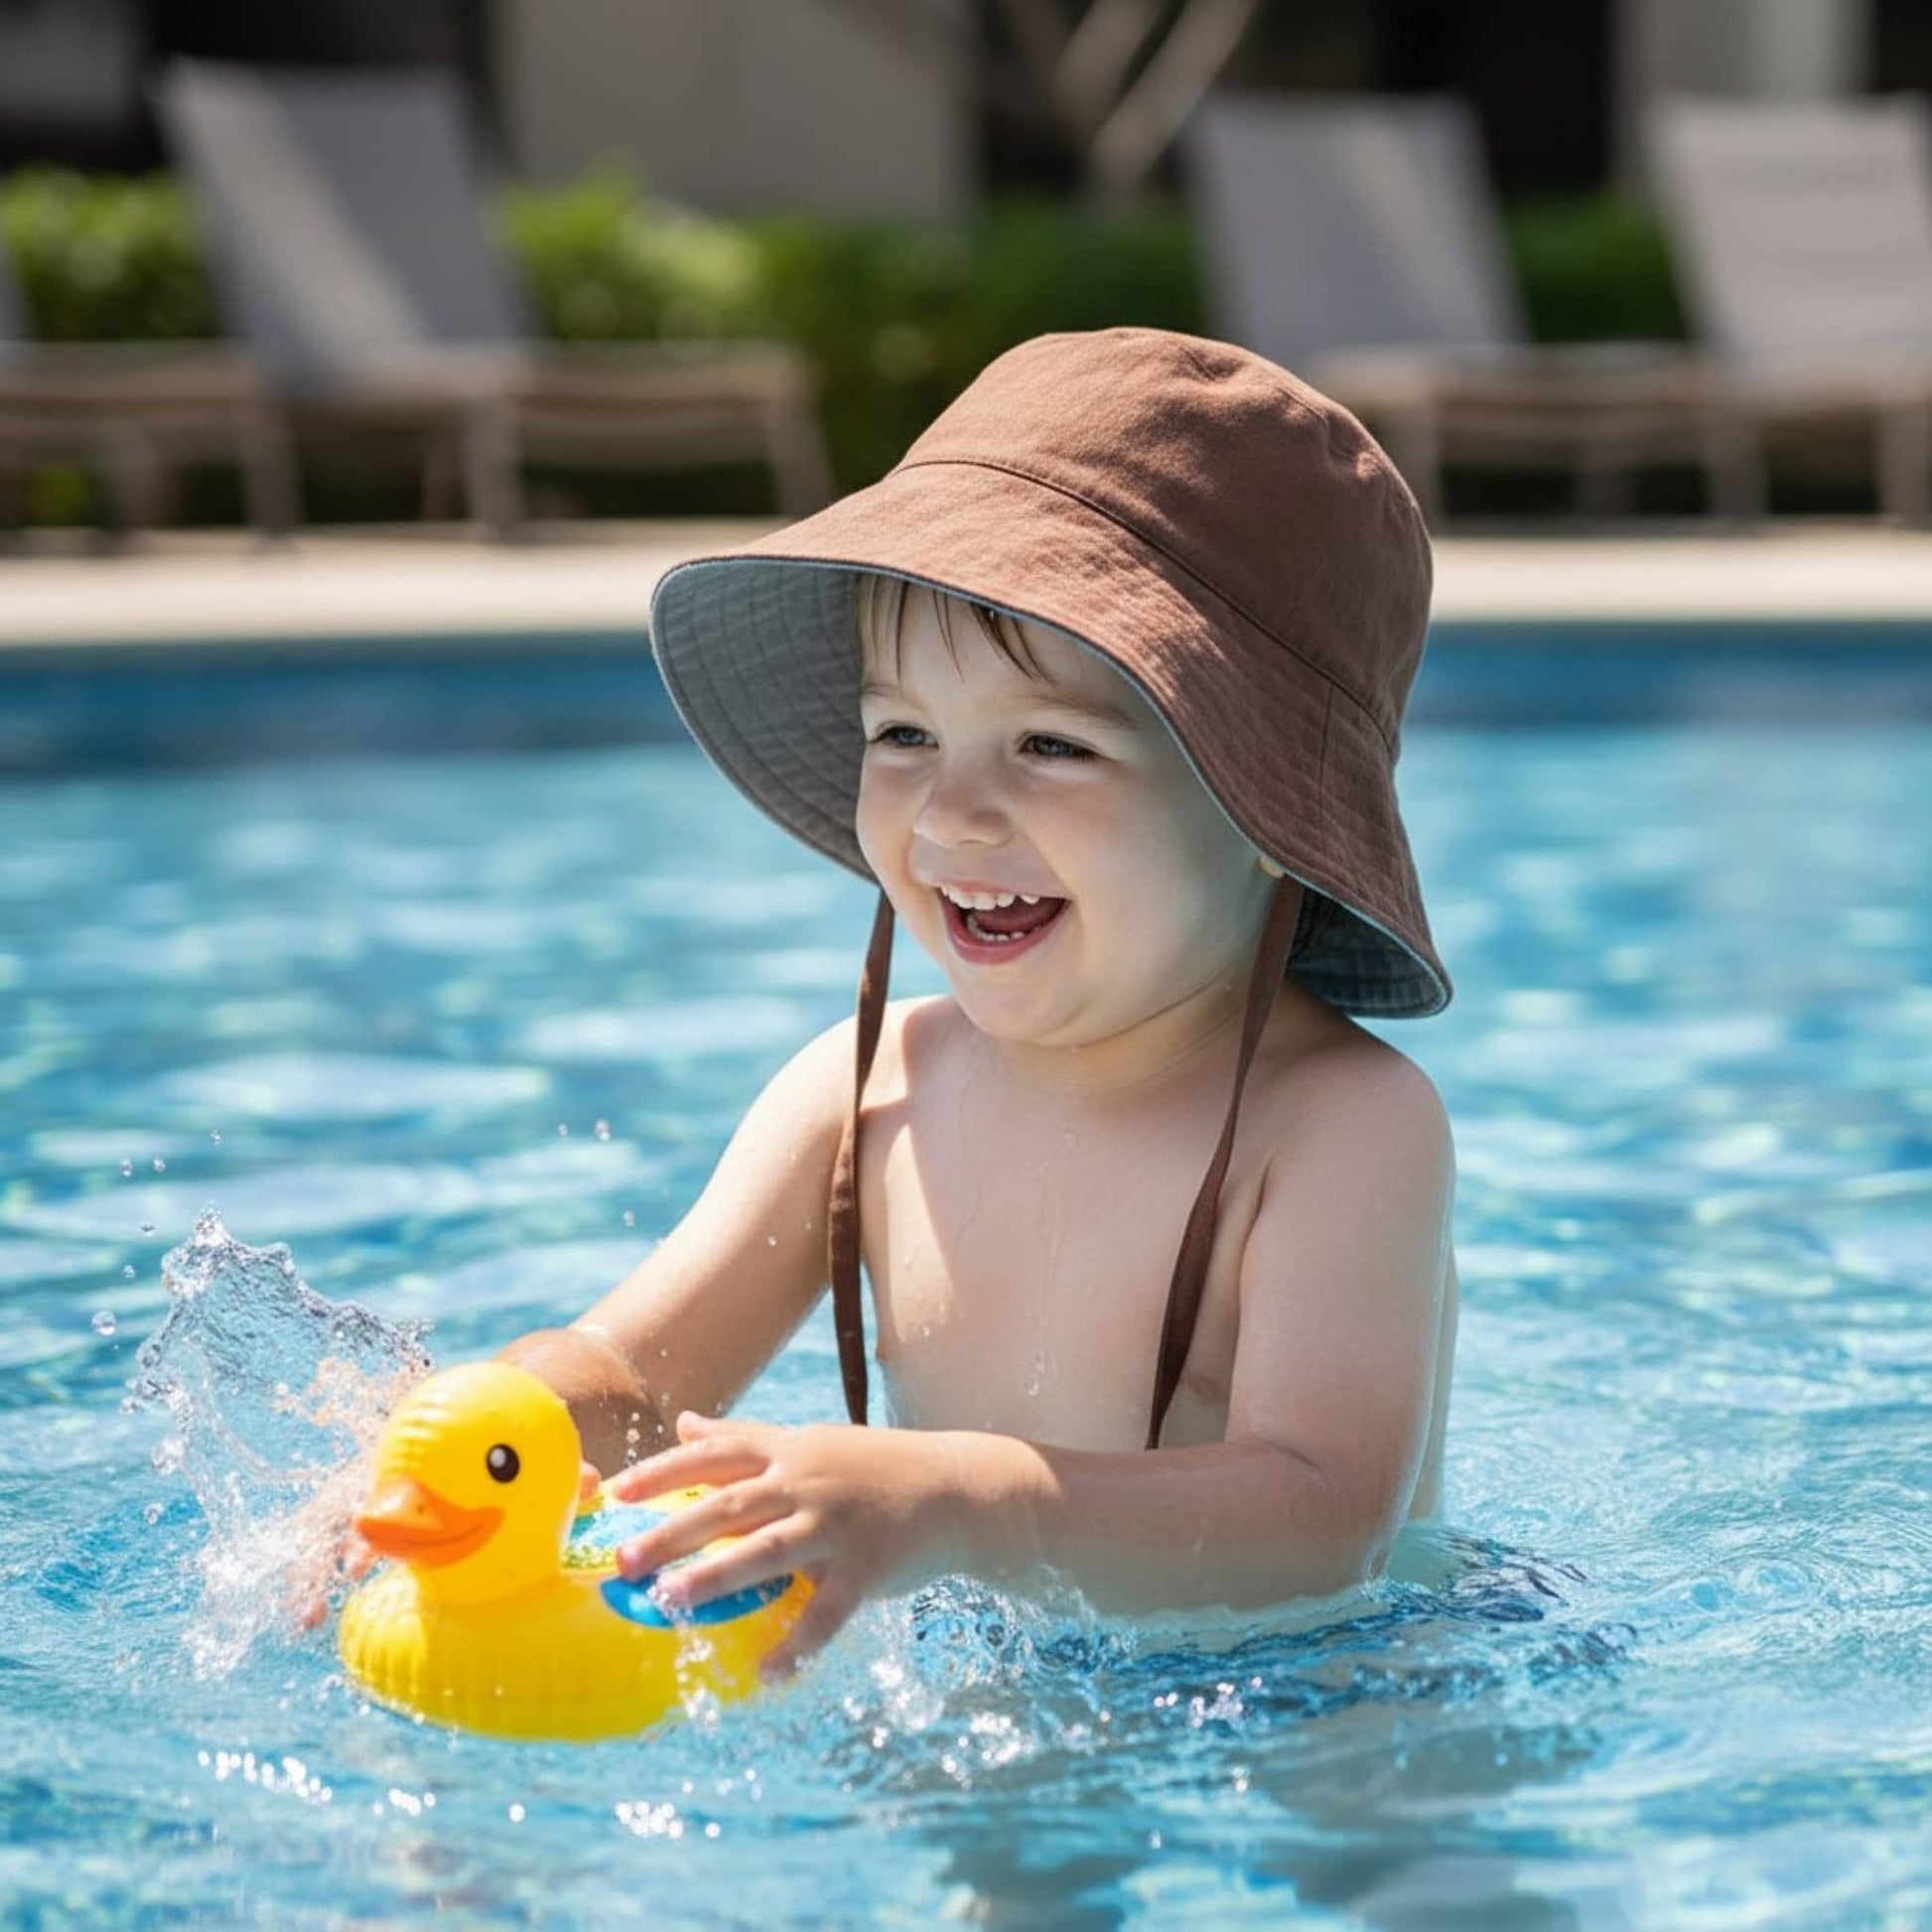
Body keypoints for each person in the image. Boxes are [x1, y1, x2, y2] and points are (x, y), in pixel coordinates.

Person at [498, 327, 1460, 1683]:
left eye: (1051, 744)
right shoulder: (864, 1088)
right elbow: (635, 1375)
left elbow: (1321, 1515)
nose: (952, 810)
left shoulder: (1342, 1124)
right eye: (902, 733)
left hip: (1339, 1679)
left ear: (1265, 811)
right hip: (1004, 1675)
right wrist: (495, 1437)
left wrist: (942, 1500)